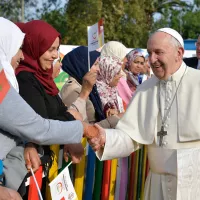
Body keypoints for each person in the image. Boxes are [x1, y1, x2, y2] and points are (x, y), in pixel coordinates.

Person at [88, 28, 200, 200]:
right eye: (149, 53)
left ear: (179, 53)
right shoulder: (145, 89)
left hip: (194, 186)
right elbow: (130, 136)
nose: (152, 59)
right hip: (156, 186)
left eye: (158, 52)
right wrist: (105, 138)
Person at [0, 17, 97, 194]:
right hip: (16, 176)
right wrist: (78, 126)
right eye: (18, 47)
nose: (21, 55)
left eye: (57, 49)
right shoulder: (23, 79)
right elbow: (38, 126)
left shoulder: (43, 80)